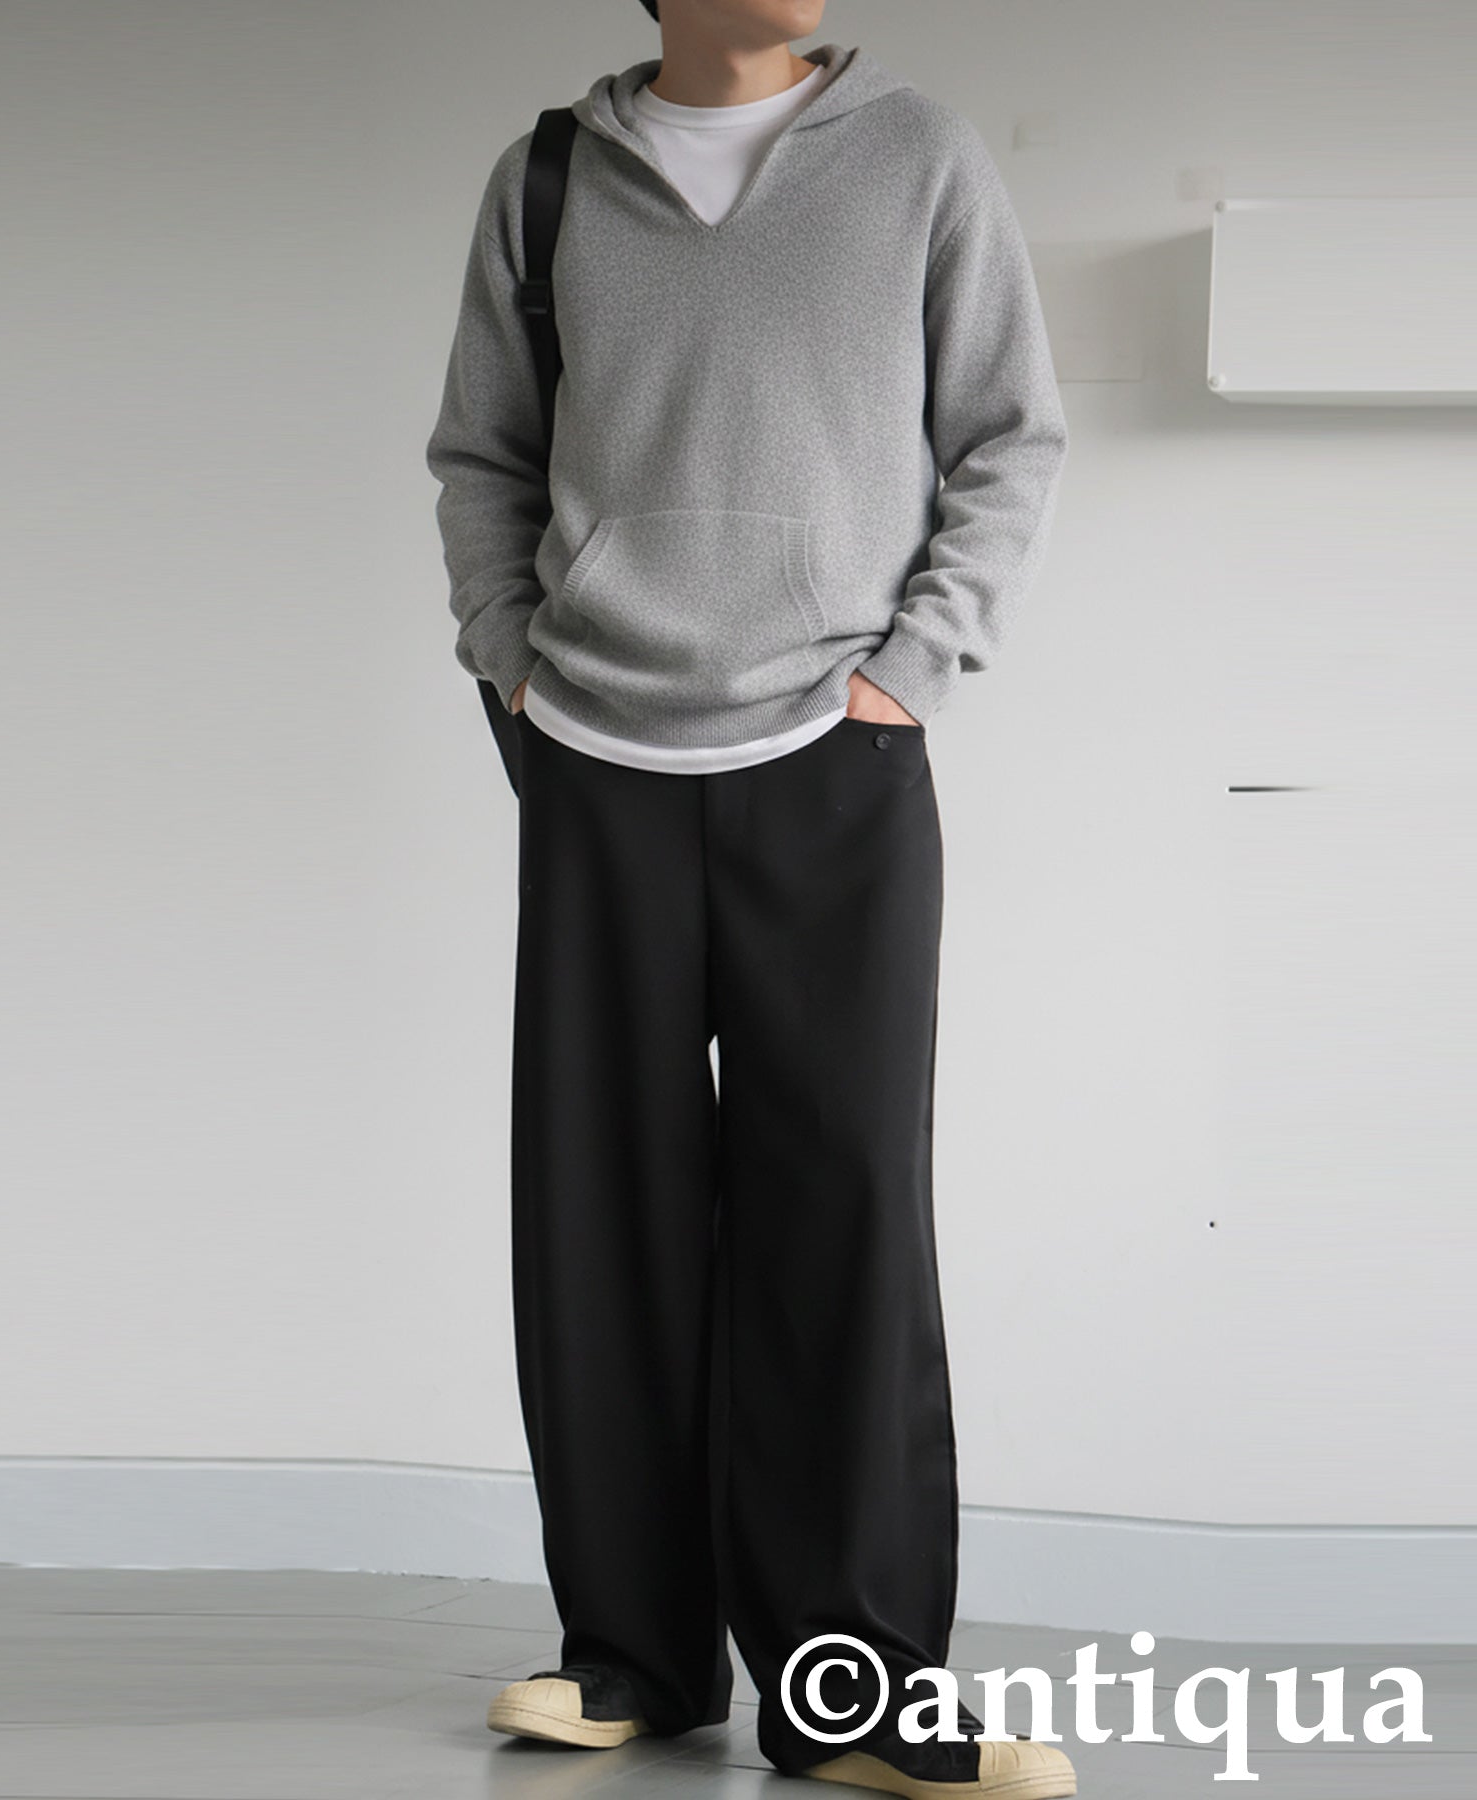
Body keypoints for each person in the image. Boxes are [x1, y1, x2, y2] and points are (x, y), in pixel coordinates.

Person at [424, 2, 1072, 1792]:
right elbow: (483, 454)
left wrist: (910, 673)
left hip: (833, 755)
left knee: (843, 1209)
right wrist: (510, 663)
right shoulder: (548, 178)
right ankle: (631, 1656)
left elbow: (1011, 436)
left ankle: (856, 1695)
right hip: (593, 749)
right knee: (600, 1208)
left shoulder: (920, 158)